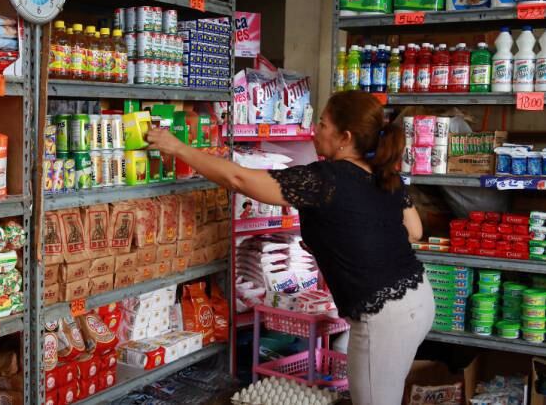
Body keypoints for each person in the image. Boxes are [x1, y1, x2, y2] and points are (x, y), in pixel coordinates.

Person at [147, 91, 435, 405]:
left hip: (384, 316)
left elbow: (238, 178)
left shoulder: (325, 179)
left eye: (322, 124)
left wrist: (176, 147)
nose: (314, 130)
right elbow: (414, 230)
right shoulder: (383, 176)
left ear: (345, 137)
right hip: (418, 300)